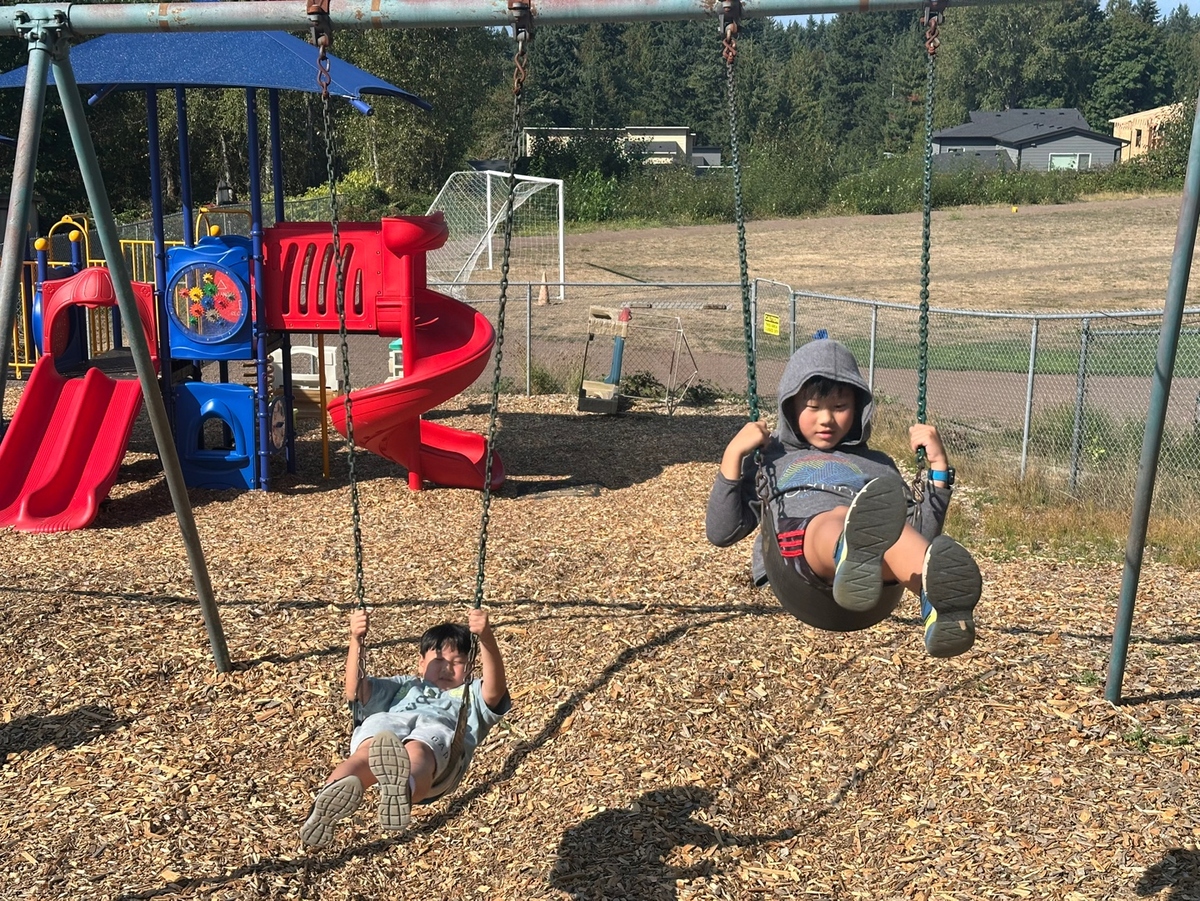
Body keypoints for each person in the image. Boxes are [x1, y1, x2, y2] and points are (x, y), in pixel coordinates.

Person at [706, 338, 981, 657]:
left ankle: (940, 607)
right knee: (841, 517)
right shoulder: (772, 458)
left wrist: (938, 469)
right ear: (790, 405)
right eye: (813, 407)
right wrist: (733, 455)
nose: (826, 419)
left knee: (891, 530)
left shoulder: (878, 464)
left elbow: (921, 536)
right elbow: (721, 532)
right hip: (798, 553)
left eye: (839, 407)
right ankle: (849, 548)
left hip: (873, 574)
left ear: (858, 408)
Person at [301, 607, 510, 848]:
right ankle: (327, 801)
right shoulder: (405, 685)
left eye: (458, 662)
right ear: (421, 664)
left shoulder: (471, 692)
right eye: (439, 660)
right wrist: (356, 639)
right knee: (370, 746)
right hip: (391, 728)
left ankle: (402, 788)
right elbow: (356, 692)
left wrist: (486, 638)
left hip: (439, 740)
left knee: (418, 749)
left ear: (471, 667)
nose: (447, 668)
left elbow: (495, 689)